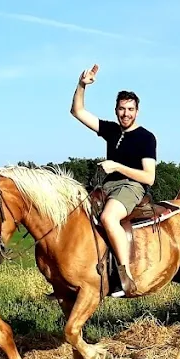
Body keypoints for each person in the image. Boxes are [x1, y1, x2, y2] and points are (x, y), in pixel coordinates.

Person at [70, 64, 157, 296]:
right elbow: (77, 111)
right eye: (121, 109)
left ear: (137, 111)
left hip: (132, 186)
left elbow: (149, 176)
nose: (125, 114)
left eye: (130, 109)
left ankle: (123, 276)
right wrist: (81, 85)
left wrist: (117, 166)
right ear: (116, 110)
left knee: (109, 218)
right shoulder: (111, 130)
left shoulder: (146, 138)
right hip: (106, 186)